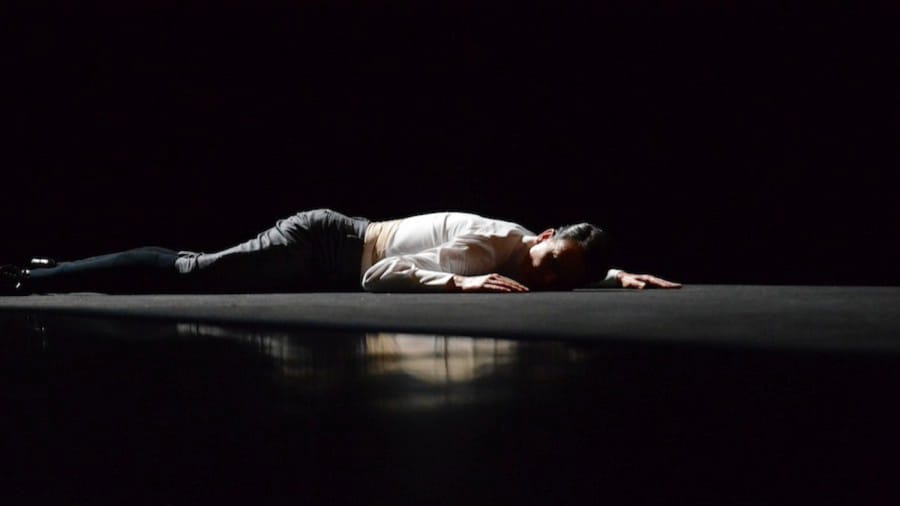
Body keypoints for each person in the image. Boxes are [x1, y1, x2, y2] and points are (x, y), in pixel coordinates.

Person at [0, 208, 681, 295]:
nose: (544, 271)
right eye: (551, 257)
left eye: (559, 274)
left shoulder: (537, 258)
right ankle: (42, 276)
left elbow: (572, 271)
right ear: (541, 234)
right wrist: (463, 288)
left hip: (337, 243)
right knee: (187, 271)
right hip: (326, 245)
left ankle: (43, 272)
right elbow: (381, 275)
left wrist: (615, 276)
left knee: (193, 267)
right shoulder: (489, 248)